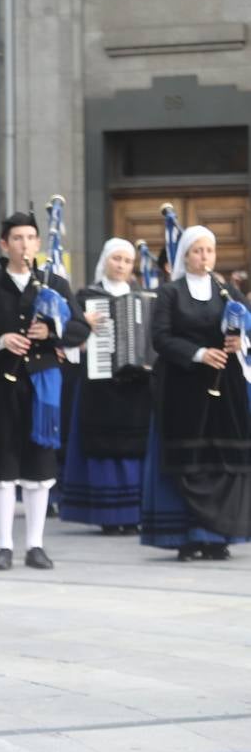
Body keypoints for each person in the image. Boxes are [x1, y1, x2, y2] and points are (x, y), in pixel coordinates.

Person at [0, 211, 89, 571]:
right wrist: (2, 340)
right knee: (2, 464)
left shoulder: (55, 284)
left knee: (40, 463)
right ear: (5, 244)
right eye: (16, 238)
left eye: (30, 238)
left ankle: (35, 544)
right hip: (1, 388)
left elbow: (80, 329)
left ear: (38, 243)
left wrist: (52, 334)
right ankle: (3, 545)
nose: (24, 245)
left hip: (44, 387)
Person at [141, 226, 251, 560]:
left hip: (225, 386)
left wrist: (240, 340)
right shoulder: (170, 293)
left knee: (223, 459)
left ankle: (218, 535)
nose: (204, 258)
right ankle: (186, 536)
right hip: (183, 386)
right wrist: (199, 353)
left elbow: (247, 324)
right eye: (197, 251)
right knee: (188, 461)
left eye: (209, 251)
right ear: (185, 255)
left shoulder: (227, 291)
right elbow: (160, 338)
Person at [59, 238, 150, 535]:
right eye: (116, 259)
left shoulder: (143, 298)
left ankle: (134, 513)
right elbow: (69, 341)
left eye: (127, 261)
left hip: (134, 386)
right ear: (105, 261)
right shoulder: (87, 296)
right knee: (102, 446)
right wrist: (82, 323)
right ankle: (107, 514)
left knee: (134, 447)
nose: (121, 265)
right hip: (99, 384)